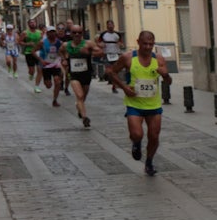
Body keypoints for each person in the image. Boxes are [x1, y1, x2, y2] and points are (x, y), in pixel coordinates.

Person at [106, 31, 171, 175]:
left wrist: (165, 75)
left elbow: (168, 81)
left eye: (151, 44)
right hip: (134, 104)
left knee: (154, 137)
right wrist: (124, 87)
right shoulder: (128, 58)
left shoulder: (159, 59)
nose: (148, 47)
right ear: (138, 42)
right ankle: (136, 144)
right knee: (137, 134)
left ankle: (149, 162)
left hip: (154, 105)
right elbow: (111, 72)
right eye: (145, 44)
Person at [63, 25, 100, 128]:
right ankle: (85, 118)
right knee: (79, 95)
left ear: (82, 33)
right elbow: (61, 52)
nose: (77, 35)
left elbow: (101, 52)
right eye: (74, 32)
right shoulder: (66, 45)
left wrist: (89, 53)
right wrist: (64, 59)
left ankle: (79, 106)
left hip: (86, 73)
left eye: (79, 32)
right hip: (74, 74)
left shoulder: (88, 43)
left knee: (83, 96)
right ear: (70, 33)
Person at [38, 26, 66, 106]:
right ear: (47, 33)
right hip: (46, 66)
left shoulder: (59, 43)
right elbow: (34, 51)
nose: (52, 33)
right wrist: (41, 60)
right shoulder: (43, 42)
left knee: (57, 82)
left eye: (54, 32)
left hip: (55, 64)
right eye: (50, 32)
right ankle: (46, 81)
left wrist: (64, 59)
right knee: (48, 85)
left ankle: (55, 100)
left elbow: (63, 51)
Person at [98, 20, 122, 91]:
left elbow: (121, 43)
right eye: (109, 25)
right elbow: (98, 43)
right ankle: (106, 75)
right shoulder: (103, 34)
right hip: (107, 54)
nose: (111, 26)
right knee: (109, 71)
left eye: (112, 24)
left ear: (114, 25)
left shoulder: (117, 34)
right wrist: (101, 45)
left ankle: (114, 86)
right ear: (107, 26)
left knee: (115, 71)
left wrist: (120, 45)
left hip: (115, 54)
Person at [22, 21, 44, 90]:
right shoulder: (25, 33)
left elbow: (43, 41)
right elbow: (19, 41)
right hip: (29, 53)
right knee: (32, 70)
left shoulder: (40, 33)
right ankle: (31, 74)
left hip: (38, 53)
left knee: (40, 70)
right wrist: (27, 44)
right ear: (28, 24)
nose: (33, 24)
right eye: (31, 23)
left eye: (34, 22)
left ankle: (37, 86)